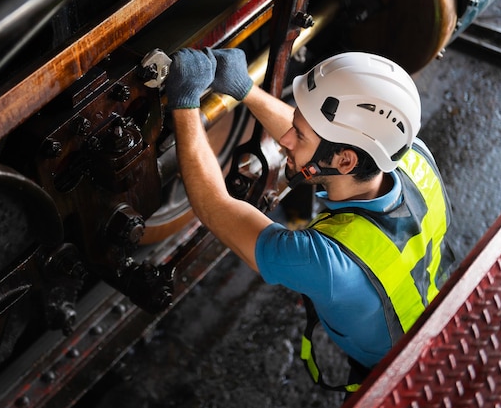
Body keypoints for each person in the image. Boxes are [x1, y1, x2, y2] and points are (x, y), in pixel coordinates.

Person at [164, 48, 454, 392]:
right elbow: (319, 142)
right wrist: (245, 89)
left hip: (398, 380)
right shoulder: (409, 154)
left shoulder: (329, 263)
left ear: (345, 162)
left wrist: (183, 103)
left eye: (297, 135)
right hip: (443, 318)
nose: (284, 139)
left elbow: (214, 206)